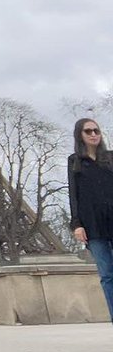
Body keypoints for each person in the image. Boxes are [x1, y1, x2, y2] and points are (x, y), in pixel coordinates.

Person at [68, 117, 113, 322]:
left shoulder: (110, 158)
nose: (94, 134)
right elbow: (73, 194)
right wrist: (76, 224)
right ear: (80, 135)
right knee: (107, 275)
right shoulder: (75, 161)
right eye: (88, 131)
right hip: (93, 224)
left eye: (96, 130)